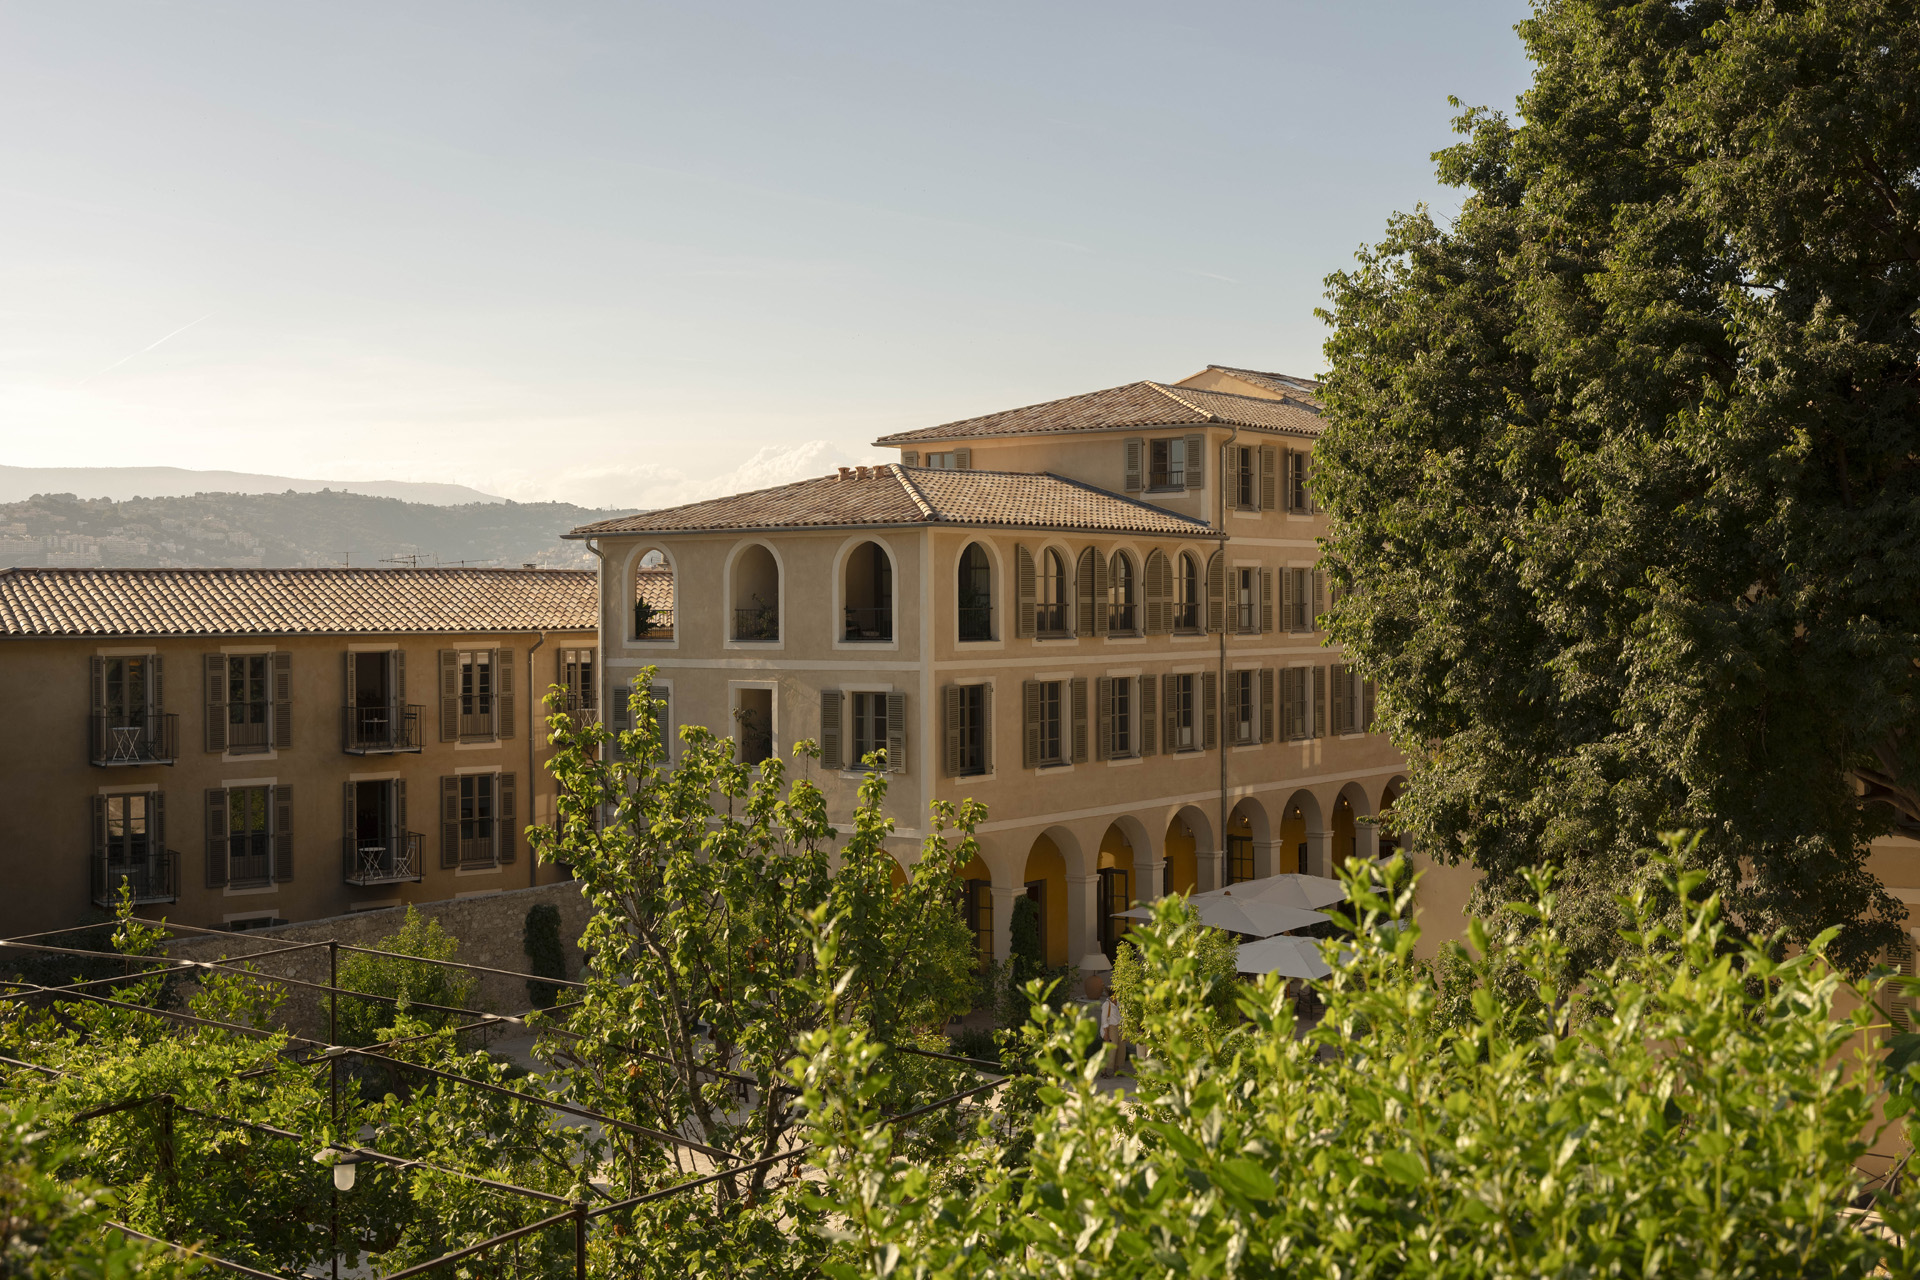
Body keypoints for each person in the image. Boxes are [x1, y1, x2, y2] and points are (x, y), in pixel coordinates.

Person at [1099, 988, 1125, 1077]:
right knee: (1111, 1050)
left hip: (1119, 1027)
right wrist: (1106, 1033)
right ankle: (1104, 1071)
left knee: (1121, 1049)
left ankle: (1116, 1071)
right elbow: (1104, 1020)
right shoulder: (1107, 1005)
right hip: (1111, 1027)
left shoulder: (1119, 1003)